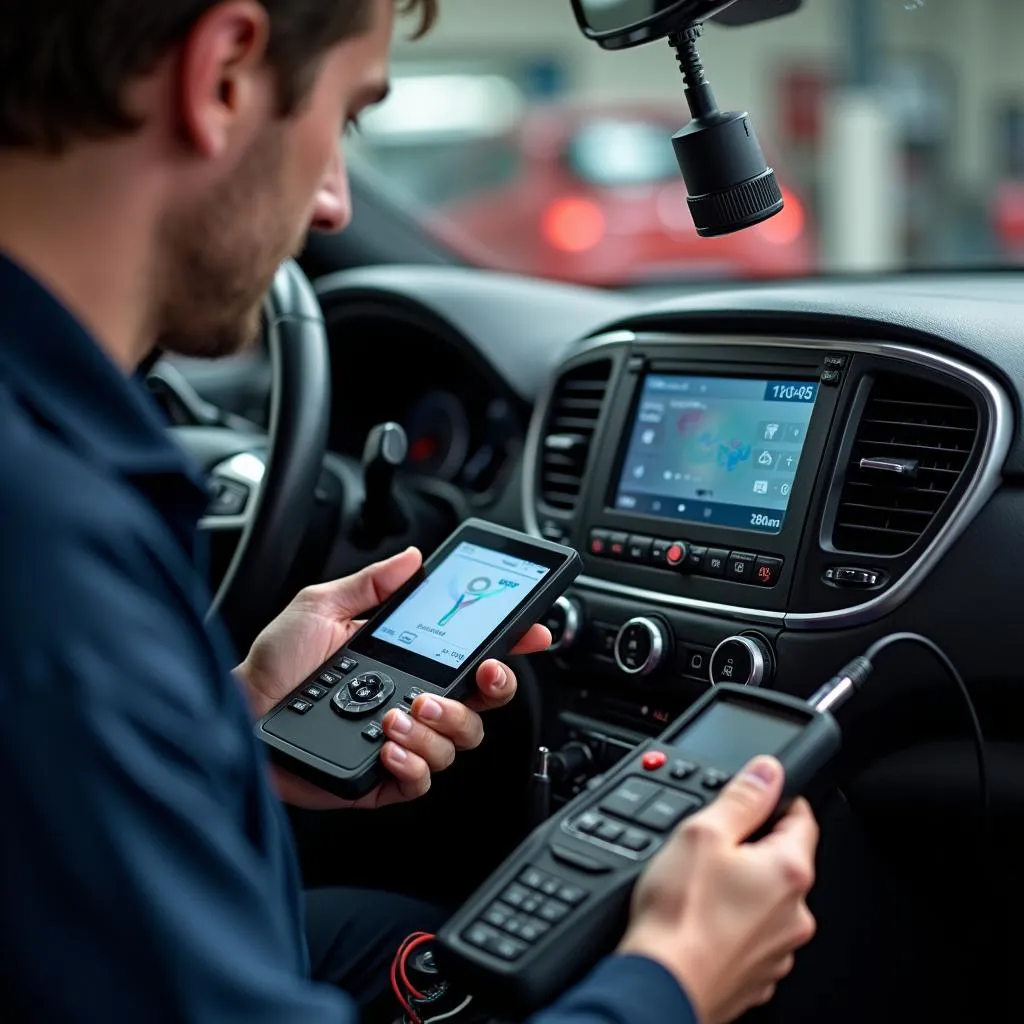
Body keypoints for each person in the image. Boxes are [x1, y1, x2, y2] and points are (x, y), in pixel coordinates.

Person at [0, 1, 819, 1022]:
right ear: (222, 74)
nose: (337, 204)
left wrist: (232, 726)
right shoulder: (53, 559)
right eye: (346, 120)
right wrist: (673, 979)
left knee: (398, 937)